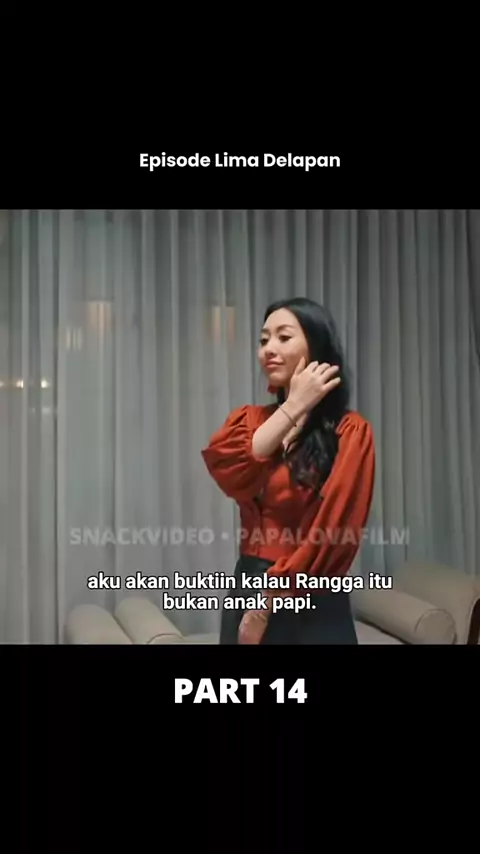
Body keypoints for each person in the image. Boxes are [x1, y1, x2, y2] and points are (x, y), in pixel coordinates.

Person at [201, 297, 375, 644]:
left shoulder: (350, 431)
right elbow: (231, 475)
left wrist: (266, 605)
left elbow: (333, 533)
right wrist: (295, 404)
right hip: (247, 583)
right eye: (263, 339)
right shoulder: (250, 421)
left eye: (284, 337)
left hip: (309, 594)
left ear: (316, 345)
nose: (269, 349)